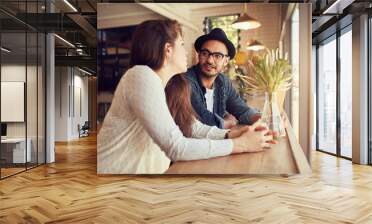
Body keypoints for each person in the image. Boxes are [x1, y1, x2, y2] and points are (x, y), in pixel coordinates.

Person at [97, 19, 274, 174]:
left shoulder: (172, 84)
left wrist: (232, 134)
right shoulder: (141, 75)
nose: (188, 52)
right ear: (168, 50)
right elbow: (177, 147)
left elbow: (193, 128)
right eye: (182, 44)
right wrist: (241, 145)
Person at [185, 28, 261, 129]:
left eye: (217, 56)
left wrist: (262, 119)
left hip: (219, 142)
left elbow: (242, 110)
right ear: (198, 55)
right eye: (205, 53)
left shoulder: (223, 82)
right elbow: (202, 120)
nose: (210, 60)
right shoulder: (186, 81)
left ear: (226, 61)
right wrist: (227, 122)